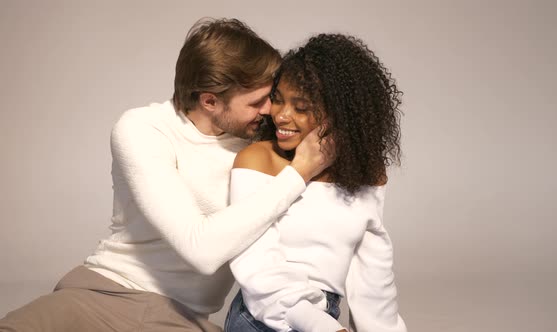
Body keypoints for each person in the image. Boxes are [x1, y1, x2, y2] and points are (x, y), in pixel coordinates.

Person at [0, 18, 333, 332]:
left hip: (183, 319)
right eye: (258, 101)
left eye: (270, 98)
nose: (270, 112)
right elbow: (201, 250)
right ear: (210, 101)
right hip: (101, 295)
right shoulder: (144, 128)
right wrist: (299, 173)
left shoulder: (263, 146)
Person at [224, 33, 407, 332]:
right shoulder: (258, 159)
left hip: (323, 318)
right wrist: (321, 326)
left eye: (301, 107)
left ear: (340, 111)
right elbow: (256, 264)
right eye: (278, 100)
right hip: (262, 315)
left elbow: (373, 277)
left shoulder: (366, 173)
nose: (281, 116)